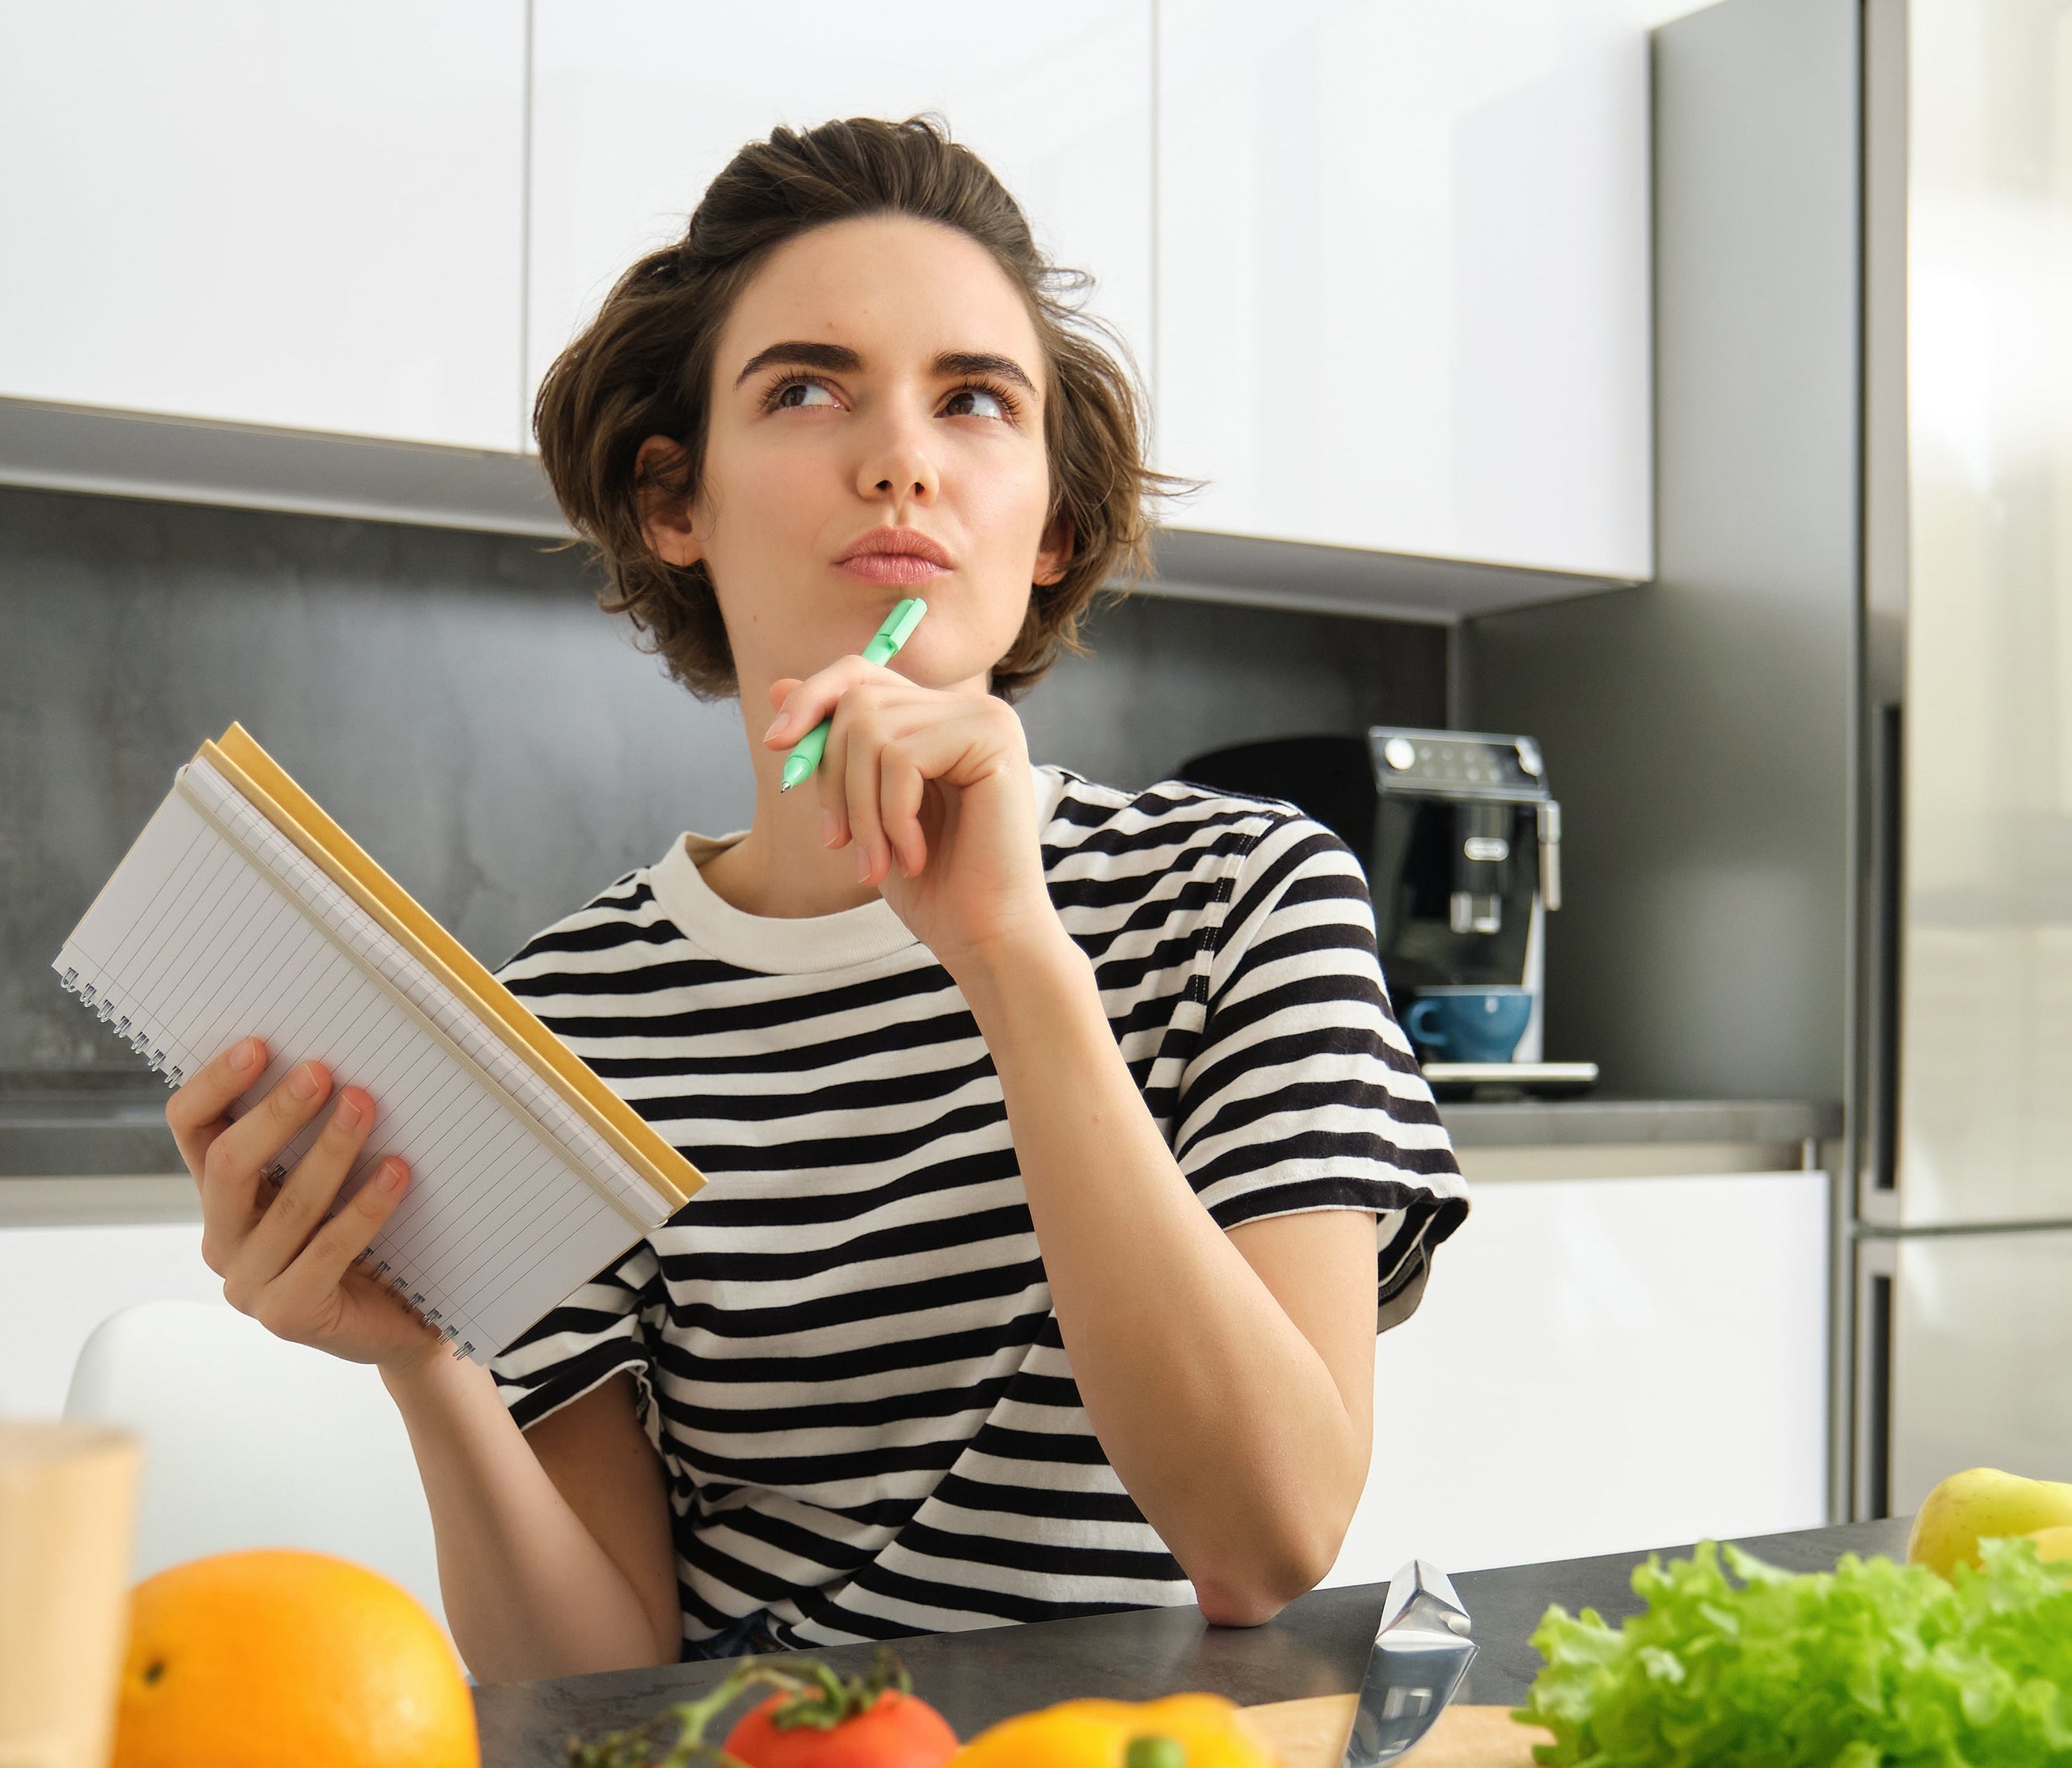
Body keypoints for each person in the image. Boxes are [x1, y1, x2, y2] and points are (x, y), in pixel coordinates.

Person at [160, 116, 1464, 1677]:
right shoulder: (568, 1019)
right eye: (804, 388)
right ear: (674, 502)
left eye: (976, 399)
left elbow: (1269, 1536)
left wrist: (1012, 954)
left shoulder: (1246, 898)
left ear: (1048, 525)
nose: (900, 452)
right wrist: (427, 1357)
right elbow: (601, 1677)